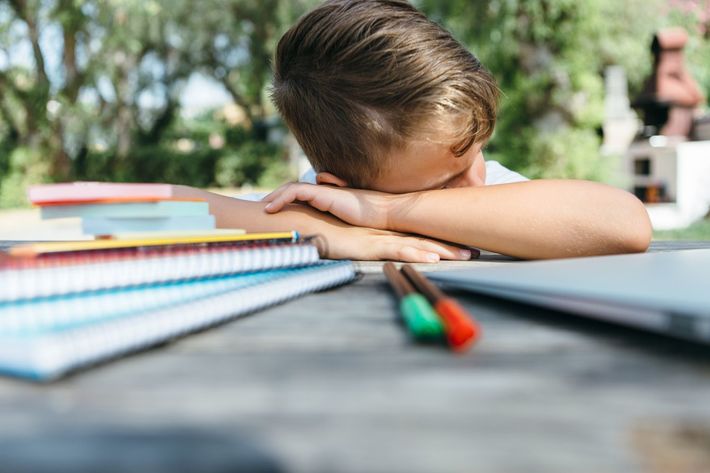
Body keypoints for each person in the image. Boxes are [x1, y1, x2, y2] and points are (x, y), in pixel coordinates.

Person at [176, 0, 652, 262]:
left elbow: (624, 223)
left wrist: (387, 210)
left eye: (477, 154)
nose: (475, 183)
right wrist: (319, 229)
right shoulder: (315, 210)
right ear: (338, 189)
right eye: (444, 183)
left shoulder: (484, 191)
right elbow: (140, 207)